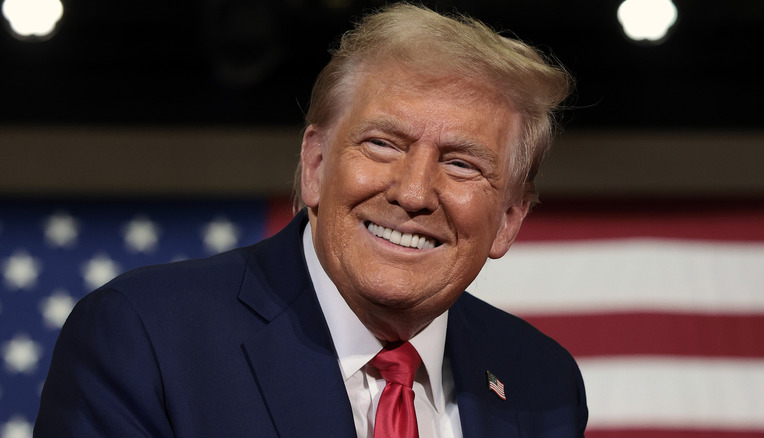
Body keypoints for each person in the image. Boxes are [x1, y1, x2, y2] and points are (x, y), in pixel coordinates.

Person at [35, 3, 587, 437]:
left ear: (510, 218)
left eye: (462, 164)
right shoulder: (145, 337)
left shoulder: (542, 380)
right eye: (382, 144)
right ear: (316, 166)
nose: (414, 193)